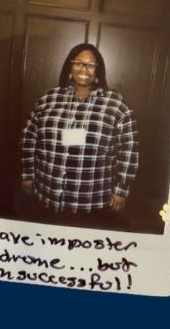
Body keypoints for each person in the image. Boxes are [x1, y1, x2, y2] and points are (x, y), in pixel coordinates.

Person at [19, 43, 139, 230]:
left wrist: (121, 190)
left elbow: (129, 150)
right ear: (70, 66)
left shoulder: (116, 105)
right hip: (47, 194)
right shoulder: (48, 99)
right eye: (78, 63)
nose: (84, 69)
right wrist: (27, 174)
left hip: (92, 202)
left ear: (98, 71)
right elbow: (29, 137)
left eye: (91, 65)